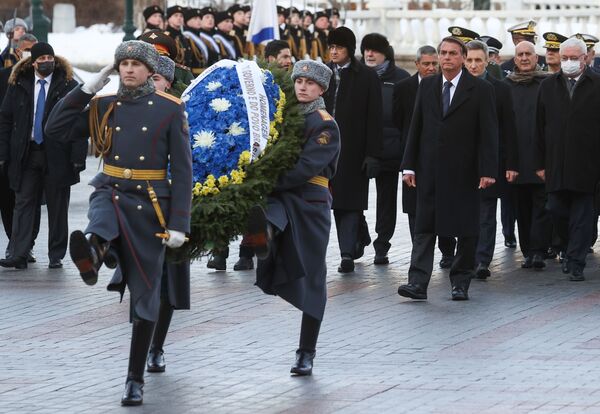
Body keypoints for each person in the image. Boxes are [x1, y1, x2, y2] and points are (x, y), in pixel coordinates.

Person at [44, 40, 192, 405]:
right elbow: (55, 128)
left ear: (149, 71)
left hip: (150, 203)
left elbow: (185, 172)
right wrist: (88, 87)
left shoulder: (170, 109)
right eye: (122, 63)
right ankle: (93, 252)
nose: (127, 69)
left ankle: (134, 378)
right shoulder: (105, 104)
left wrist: (179, 224)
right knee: (99, 217)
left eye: (135, 64)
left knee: (145, 294)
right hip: (110, 188)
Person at [249, 59, 339, 376]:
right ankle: (263, 240)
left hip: (310, 202)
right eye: (298, 81)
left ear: (322, 89)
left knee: (313, 276)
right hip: (281, 197)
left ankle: (306, 351)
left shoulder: (324, 124)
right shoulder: (281, 117)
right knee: (269, 218)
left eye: (310, 83)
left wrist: (264, 179)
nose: (302, 86)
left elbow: (305, 168)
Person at [398, 36, 498, 301]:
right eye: (443, 53)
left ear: (463, 58)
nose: (446, 58)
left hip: (464, 172)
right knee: (424, 228)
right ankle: (417, 283)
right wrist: (408, 166)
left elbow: (489, 133)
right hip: (429, 170)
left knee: (465, 228)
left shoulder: (480, 89)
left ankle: (460, 281)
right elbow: (415, 127)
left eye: (453, 53)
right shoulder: (427, 86)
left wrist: (488, 169)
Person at [0, 42, 83, 270]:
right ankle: (19, 252)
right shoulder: (18, 84)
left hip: (57, 153)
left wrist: (78, 157)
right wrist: (3, 153)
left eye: (50, 57)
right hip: (26, 153)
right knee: (23, 202)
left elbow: (78, 122)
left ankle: (56, 254)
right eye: (42, 58)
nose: (47, 61)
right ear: (33, 62)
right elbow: (6, 119)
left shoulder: (68, 84)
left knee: (57, 206)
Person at [535, 37, 600, 281]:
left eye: (574, 58)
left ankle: (576, 261)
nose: (569, 62)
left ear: (585, 58)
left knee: (583, 217)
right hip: (556, 164)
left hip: (587, 166)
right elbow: (539, 127)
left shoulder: (597, 84)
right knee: (556, 210)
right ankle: (565, 246)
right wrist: (539, 163)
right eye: (565, 58)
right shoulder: (548, 86)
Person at [144, 54, 191, 375]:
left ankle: (156, 347)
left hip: (171, 208)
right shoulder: (128, 108)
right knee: (142, 284)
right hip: (136, 209)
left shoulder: (179, 114)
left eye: (157, 80)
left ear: (168, 84)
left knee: (167, 287)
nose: (151, 85)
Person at [323, 27, 383, 273]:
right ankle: (356, 236)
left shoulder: (366, 77)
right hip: (324, 149)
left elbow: (375, 118)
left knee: (349, 204)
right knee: (331, 201)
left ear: (350, 49)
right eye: (331, 47)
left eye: (339, 47)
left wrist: (373, 154)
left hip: (354, 150)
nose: (334, 51)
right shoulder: (322, 73)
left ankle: (346, 254)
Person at [464, 40, 519, 279]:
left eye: (478, 60)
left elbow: (509, 129)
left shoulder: (501, 89)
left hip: (490, 161)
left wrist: (511, 164)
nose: (474, 65)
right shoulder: (455, 87)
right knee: (465, 211)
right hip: (462, 162)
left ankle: (482, 260)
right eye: (470, 60)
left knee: (486, 212)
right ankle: (464, 255)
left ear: (488, 60)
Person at [361, 33, 409, 265]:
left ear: (385, 53)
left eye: (375, 50)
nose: (369, 54)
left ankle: (382, 243)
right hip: (359, 150)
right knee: (353, 199)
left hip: (389, 149)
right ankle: (355, 239)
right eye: (366, 50)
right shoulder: (354, 76)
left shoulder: (400, 78)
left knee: (386, 200)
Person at [504, 41, 552, 270]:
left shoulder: (547, 84)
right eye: (520, 54)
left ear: (536, 58)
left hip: (540, 158)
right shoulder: (506, 86)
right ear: (515, 60)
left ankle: (539, 251)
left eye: (528, 54)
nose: (524, 58)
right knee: (521, 208)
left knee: (542, 207)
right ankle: (528, 251)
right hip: (516, 160)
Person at [392, 45, 438, 240]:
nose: (431, 68)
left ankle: (446, 251)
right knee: (413, 205)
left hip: (438, 154)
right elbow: (398, 120)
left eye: (434, 64)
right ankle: (416, 243)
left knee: (441, 202)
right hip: (412, 155)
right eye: (426, 64)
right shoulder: (403, 88)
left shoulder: (445, 85)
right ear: (417, 64)